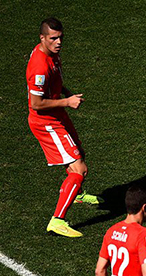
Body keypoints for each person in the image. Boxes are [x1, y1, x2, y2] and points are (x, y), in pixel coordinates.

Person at [26, 17, 100, 238]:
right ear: (42, 38)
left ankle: (75, 193)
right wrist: (67, 102)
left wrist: (65, 92)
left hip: (57, 113)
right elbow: (36, 104)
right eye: (53, 38)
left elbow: (54, 79)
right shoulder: (39, 65)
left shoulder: (51, 53)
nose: (58, 42)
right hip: (45, 122)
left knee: (79, 153)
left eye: (60, 38)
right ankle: (57, 221)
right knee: (80, 169)